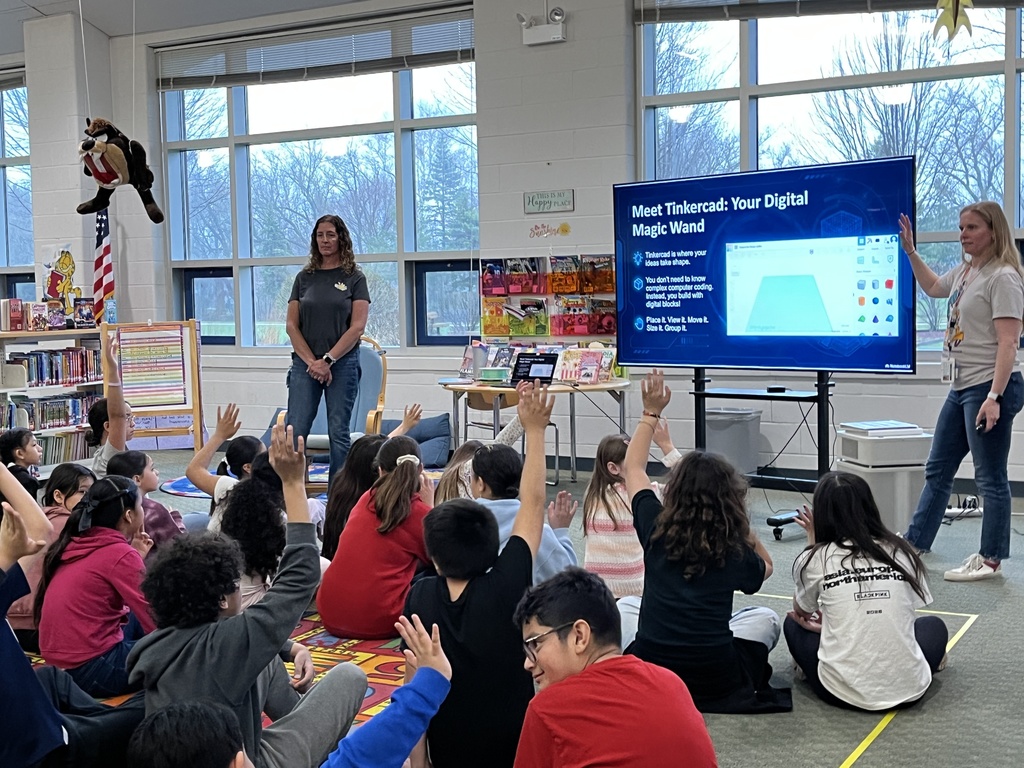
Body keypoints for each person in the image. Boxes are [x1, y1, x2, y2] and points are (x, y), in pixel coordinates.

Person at [127, 425, 369, 768]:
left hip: (230, 745)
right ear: (224, 599)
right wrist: (294, 483)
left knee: (266, 658)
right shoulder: (229, 645)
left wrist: (290, 646)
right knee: (350, 677)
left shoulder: (159, 646)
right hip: (250, 761)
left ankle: (310, 727)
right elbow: (300, 574)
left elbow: (244, 640)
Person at [619, 370, 789, 714]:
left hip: (653, 669)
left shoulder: (655, 527)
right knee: (767, 618)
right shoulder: (733, 546)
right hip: (716, 675)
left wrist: (650, 413)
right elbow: (768, 568)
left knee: (624, 607)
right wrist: (738, 522)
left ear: (674, 491)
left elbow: (632, 468)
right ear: (730, 499)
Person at [402, 382, 552, 768]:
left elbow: (413, 689)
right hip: (514, 750)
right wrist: (535, 431)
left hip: (448, 751)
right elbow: (532, 504)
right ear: (492, 548)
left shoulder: (419, 597)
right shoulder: (507, 584)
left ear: (433, 557)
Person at [124, 615, 451, 768]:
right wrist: (424, 687)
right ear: (239, 762)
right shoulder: (240, 641)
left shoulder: (160, 653)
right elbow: (359, 757)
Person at [899, 203, 1024, 581]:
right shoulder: (969, 271)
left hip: (989, 386)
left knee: (989, 477)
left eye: (971, 227)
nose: (963, 234)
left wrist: (995, 398)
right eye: (960, 227)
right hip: (962, 385)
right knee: (938, 468)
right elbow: (935, 287)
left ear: (993, 231)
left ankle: (990, 558)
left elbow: (1008, 343)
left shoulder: (1003, 277)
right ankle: (916, 539)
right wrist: (910, 252)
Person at [0, 470, 145, 768]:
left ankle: (97, 719)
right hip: (44, 749)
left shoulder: (79, 538)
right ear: (129, 515)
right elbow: (39, 532)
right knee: (155, 707)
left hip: (44, 705)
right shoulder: (115, 550)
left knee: (53, 679)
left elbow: (40, 532)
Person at [511, 568, 718, 768]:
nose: (528, 663)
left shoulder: (548, 709)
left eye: (535, 644)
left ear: (580, 636)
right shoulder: (671, 683)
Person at [786, 471, 949, 711]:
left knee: (791, 626)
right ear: (870, 508)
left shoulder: (815, 557)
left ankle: (816, 664)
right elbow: (896, 613)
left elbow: (801, 611)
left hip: (840, 693)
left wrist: (813, 542)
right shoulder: (900, 551)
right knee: (933, 626)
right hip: (911, 690)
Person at [35, 474, 156, 697]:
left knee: (136, 619)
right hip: (93, 671)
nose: (144, 510)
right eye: (141, 504)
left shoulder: (77, 541)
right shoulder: (119, 554)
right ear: (129, 515)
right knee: (179, 648)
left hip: (60, 665)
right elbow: (154, 615)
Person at [285, 214, 372, 486]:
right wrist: (313, 362)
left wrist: (328, 360)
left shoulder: (354, 278)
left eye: (330, 235)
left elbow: (357, 327)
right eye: (320, 235)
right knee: (295, 429)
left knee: (339, 432)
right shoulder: (304, 278)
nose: (325, 240)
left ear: (341, 238)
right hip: (305, 365)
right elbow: (291, 325)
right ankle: (292, 490)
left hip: (342, 364)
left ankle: (340, 495)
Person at [318, 436, 434, 638]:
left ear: (379, 470)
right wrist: (430, 509)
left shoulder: (366, 498)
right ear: (420, 470)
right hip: (380, 622)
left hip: (329, 612)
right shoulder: (418, 512)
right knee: (439, 576)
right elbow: (445, 557)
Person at [582, 423, 681, 600]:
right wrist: (667, 445)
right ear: (613, 468)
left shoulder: (593, 494)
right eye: (635, 461)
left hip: (595, 591)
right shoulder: (644, 494)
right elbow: (688, 483)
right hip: (634, 591)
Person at [9, 462, 96, 651]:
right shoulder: (68, 526)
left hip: (11, 619)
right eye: (83, 492)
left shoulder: (36, 518)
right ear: (58, 495)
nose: (90, 500)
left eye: (93, 493)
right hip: (37, 624)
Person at [320, 404, 425, 560]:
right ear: (379, 471)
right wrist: (428, 504)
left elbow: (373, 451)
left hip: (332, 560)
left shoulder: (343, 484)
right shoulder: (377, 504)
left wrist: (404, 427)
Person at [470, 443, 578, 584]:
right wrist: (560, 533)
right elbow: (570, 578)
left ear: (480, 483)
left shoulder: (459, 526)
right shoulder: (539, 532)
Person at [185, 403, 267, 519]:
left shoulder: (228, 487)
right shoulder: (232, 488)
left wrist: (219, 436)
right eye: (264, 455)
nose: (268, 458)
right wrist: (219, 436)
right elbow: (192, 471)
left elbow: (194, 470)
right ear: (247, 467)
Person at [107, 451, 186, 557]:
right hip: (152, 569)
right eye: (152, 469)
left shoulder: (106, 506)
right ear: (137, 479)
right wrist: (176, 518)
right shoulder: (153, 510)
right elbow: (182, 547)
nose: (157, 472)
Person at [88, 335, 134, 477]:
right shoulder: (110, 454)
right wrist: (113, 370)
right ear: (108, 426)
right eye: (128, 418)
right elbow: (117, 416)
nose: (133, 423)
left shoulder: (115, 451)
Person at [0, 427, 42, 502]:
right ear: (20, 453)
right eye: (34, 445)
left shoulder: (5, 474)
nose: (40, 448)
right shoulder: (27, 482)